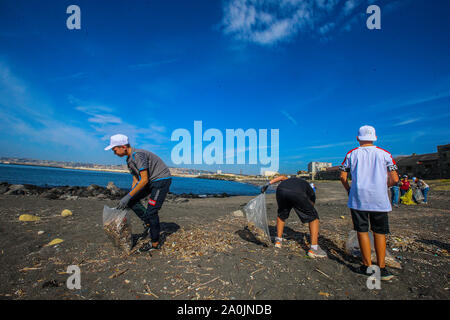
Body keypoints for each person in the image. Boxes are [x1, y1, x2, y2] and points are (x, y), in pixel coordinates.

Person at [339, 125, 399, 281]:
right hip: (379, 199)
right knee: (379, 232)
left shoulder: (352, 154)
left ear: (358, 138)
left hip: (358, 198)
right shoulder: (385, 154)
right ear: (375, 137)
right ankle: (382, 268)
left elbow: (343, 177)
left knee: (362, 231)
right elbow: (395, 179)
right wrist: (382, 187)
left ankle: (367, 266)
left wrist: (348, 190)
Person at [105, 134, 172, 253]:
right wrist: (130, 196)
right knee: (132, 201)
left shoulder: (138, 155)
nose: (114, 153)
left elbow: (144, 179)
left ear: (124, 146)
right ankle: (148, 224)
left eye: (115, 150)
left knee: (152, 211)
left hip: (161, 180)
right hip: (151, 181)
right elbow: (136, 179)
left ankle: (155, 243)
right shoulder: (129, 160)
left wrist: (128, 196)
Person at [261, 176, 326, 258]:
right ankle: (314, 249)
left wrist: (267, 184)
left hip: (281, 190)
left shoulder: (289, 180)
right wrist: (308, 214)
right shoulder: (309, 188)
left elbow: (280, 177)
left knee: (281, 214)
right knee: (314, 217)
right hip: (296, 192)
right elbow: (311, 205)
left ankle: (278, 241)